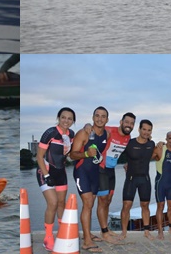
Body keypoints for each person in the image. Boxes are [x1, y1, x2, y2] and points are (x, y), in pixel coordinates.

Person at [35, 107, 77, 252]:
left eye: (70, 118)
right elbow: (39, 157)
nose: (66, 121)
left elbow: (70, 155)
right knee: (52, 203)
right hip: (45, 171)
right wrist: (46, 176)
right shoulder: (50, 133)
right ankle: (48, 238)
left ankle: (62, 233)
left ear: (73, 121)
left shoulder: (72, 134)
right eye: (63, 117)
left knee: (61, 204)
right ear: (58, 118)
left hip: (61, 173)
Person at [69, 106, 109, 253]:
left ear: (107, 120)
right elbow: (72, 155)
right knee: (88, 203)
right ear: (92, 118)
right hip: (82, 172)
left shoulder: (107, 134)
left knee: (90, 205)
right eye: (97, 116)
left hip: (95, 173)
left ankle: (88, 233)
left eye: (103, 116)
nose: (100, 119)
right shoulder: (84, 133)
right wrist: (86, 154)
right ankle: (86, 241)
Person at [95, 113, 134, 243]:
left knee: (108, 200)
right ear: (121, 121)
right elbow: (96, 129)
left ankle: (104, 228)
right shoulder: (109, 130)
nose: (129, 125)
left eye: (132, 123)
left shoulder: (128, 138)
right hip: (101, 168)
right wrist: (88, 126)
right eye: (127, 122)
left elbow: (128, 152)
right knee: (102, 200)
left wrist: (128, 162)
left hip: (111, 170)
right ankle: (105, 233)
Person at [120, 119, 157, 241]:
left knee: (145, 205)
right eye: (144, 129)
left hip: (144, 179)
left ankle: (146, 231)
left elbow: (157, 153)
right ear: (139, 129)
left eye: (149, 130)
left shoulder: (151, 144)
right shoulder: (130, 143)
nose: (146, 132)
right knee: (126, 205)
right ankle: (124, 232)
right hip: (131, 178)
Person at [154, 131, 171, 242]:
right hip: (161, 182)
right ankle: (160, 230)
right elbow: (145, 158)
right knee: (160, 206)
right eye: (170, 138)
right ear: (166, 139)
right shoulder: (160, 149)